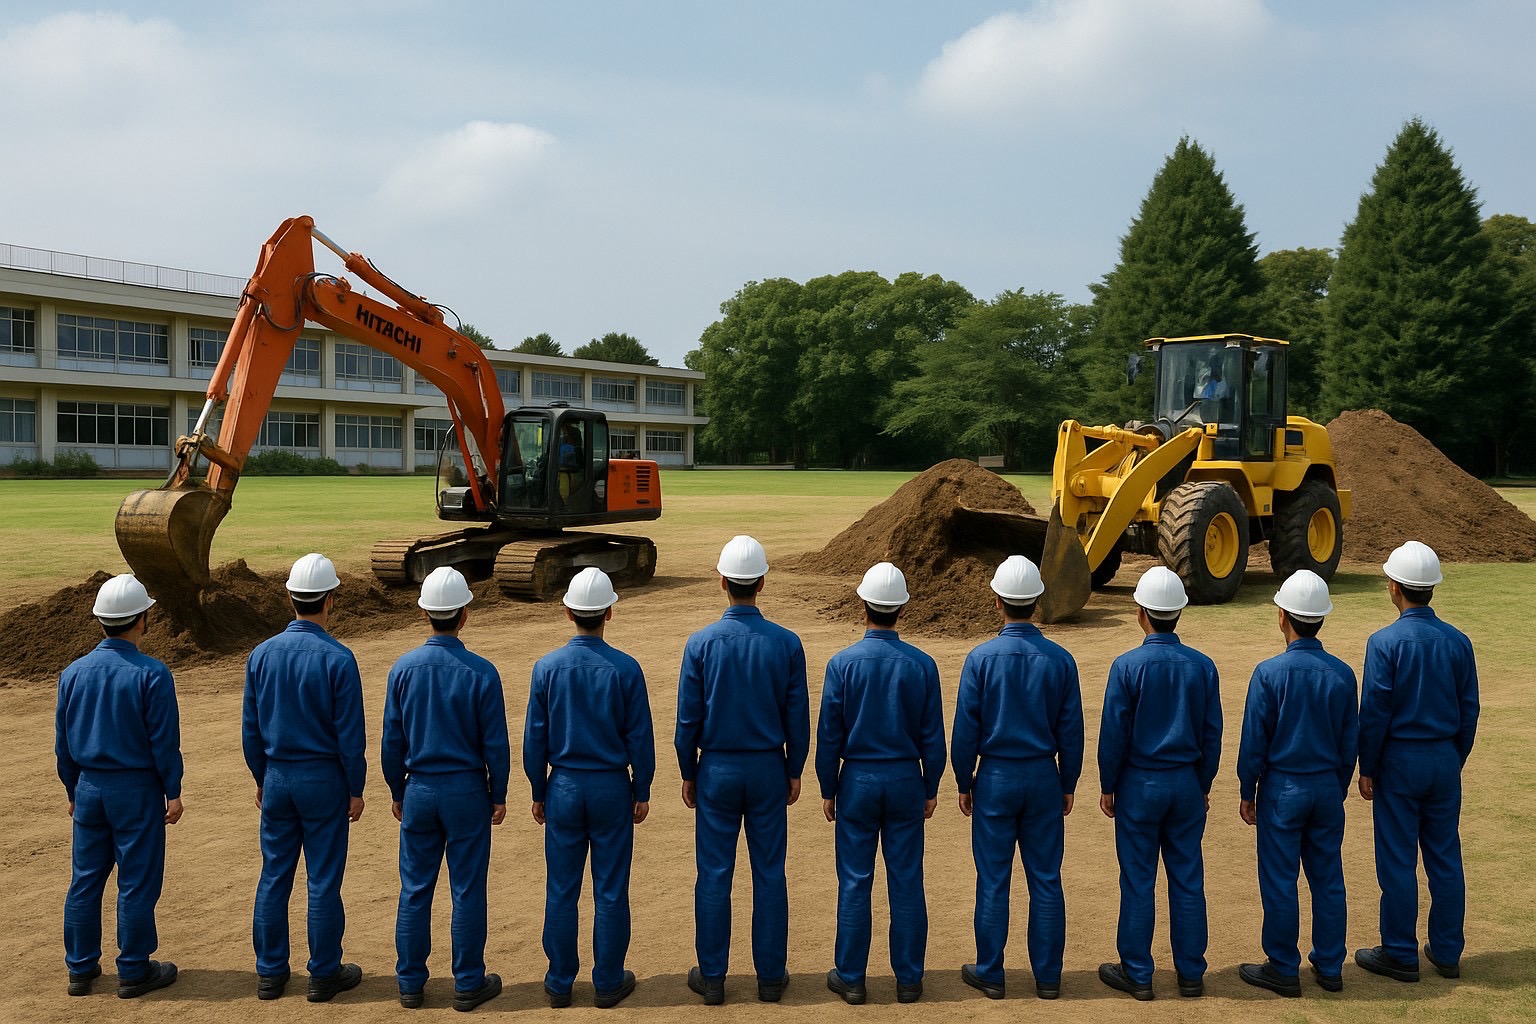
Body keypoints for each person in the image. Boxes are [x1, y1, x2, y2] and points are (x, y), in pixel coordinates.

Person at [675, 536, 810, 1005]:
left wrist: (688, 771)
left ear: (722, 582)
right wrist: (794, 769)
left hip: (716, 769)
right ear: (763, 582)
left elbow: (687, 719)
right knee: (770, 872)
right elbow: (798, 717)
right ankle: (770, 977)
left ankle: (713, 978)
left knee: (714, 873)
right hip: (769, 768)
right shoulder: (787, 644)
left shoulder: (700, 644)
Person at [951, 556, 1083, 1001]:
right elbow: (1072, 729)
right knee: (1046, 878)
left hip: (996, 779)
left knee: (993, 879)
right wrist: (1068, 782)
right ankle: (1047, 977)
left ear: (997, 601)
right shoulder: (1061, 660)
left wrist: (963, 782)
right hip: (1044, 777)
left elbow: (966, 729)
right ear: (1038, 600)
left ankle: (990, 971)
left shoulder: (980, 659)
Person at [524, 567, 655, 1010]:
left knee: (561, 888)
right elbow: (640, 736)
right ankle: (608, 981)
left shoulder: (547, 668)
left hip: (563, 786)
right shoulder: (626, 668)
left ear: (567, 611)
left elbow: (534, 738)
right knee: (611, 889)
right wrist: (643, 788)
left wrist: (538, 790)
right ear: (609, 613)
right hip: (611, 787)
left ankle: (560, 982)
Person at [816, 562, 946, 1005]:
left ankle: (851, 977)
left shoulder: (842, 663)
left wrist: (827, 787)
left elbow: (829, 733)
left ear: (863, 605)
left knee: (855, 880)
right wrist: (931, 787)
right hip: (907, 778)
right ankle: (909, 979)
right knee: (907, 880)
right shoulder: (923, 665)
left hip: (857, 779)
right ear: (902, 609)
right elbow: (933, 735)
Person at [382, 567, 511, 1011]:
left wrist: (397, 789)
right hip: (467, 791)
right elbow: (495, 742)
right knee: (467, 889)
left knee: (414, 889)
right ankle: (468, 981)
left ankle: (411, 984)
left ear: (425, 615)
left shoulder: (403, 668)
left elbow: (391, 739)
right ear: (465, 614)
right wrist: (499, 793)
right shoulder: (482, 672)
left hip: (419, 789)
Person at [243, 553, 367, 1003]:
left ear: (289, 597)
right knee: (323, 880)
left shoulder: (261, 655)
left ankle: (270, 973)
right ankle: (323, 974)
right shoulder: (339, 658)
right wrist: (356, 787)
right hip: (324, 781)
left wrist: (262, 777)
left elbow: (251, 729)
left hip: (278, 777)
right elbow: (350, 737)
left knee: (274, 875)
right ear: (330, 600)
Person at [1355, 541, 1479, 983]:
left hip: (1399, 762)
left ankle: (1400, 953)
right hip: (1444, 758)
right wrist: (1453, 757)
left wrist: (1367, 765)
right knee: (1445, 858)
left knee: (1397, 861)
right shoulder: (1458, 641)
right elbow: (1470, 710)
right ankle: (1447, 952)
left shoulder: (1384, 643)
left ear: (1394, 587)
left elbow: (1375, 712)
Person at [56, 574, 183, 998]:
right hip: (136, 791)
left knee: (85, 881)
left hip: (89, 788)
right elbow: (164, 743)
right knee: (136, 881)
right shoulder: (153, 674)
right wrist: (174, 790)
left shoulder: (72, 673)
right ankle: (133, 969)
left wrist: (74, 791)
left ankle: (80, 969)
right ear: (141, 619)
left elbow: (63, 744)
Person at [1097, 567, 1221, 1001]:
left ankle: (1138, 972)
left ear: (1141, 613)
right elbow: (1212, 733)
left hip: (1140, 785)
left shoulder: (1127, 666)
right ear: (1179, 613)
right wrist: (1202, 782)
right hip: (1186, 783)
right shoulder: (1202, 666)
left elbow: (1114, 732)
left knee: (1137, 880)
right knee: (1187, 879)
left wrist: (1108, 784)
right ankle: (1190, 973)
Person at [1235, 570, 1358, 997]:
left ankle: (1284, 967)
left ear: (1282, 615)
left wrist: (1246, 790)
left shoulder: (1268, 673)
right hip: (1326, 787)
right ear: (1321, 618)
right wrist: (1337, 786)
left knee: (1280, 879)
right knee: (1328, 879)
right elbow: (1349, 744)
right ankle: (1330, 966)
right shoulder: (1342, 674)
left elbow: (1254, 741)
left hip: (1282, 790)